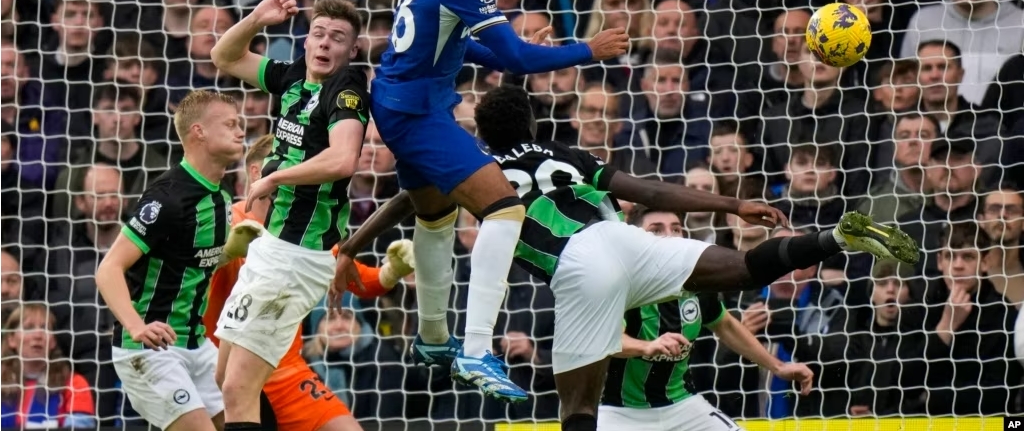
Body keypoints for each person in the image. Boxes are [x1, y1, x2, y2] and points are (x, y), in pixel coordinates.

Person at [335, 85, 919, 431]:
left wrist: (351, 247)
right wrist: (734, 202)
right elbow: (653, 194)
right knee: (740, 271)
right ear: (535, 124)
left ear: (482, 136)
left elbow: (407, 199)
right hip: (627, 240)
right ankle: (833, 241)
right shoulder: (565, 153)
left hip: (580, 270)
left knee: (577, 407)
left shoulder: (477, 170)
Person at [339, 0, 629, 403]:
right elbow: (516, 58)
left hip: (402, 97)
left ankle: (431, 338)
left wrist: (515, 45)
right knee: (503, 209)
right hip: (419, 112)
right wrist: (589, 50)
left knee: (434, 215)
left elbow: (456, 43)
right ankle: (476, 350)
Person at [209, 0, 370, 431]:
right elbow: (223, 56)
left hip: (297, 256)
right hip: (271, 249)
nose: (324, 44)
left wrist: (277, 177)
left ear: (351, 50)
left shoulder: (348, 92)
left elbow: (342, 160)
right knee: (224, 379)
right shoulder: (292, 78)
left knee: (237, 391)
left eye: (337, 38)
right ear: (305, 40)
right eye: (318, 34)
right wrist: (259, 19)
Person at [202, 134, 415, 431]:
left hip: (285, 369)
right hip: (219, 365)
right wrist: (224, 255)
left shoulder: (303, 231)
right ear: (255, 172)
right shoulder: (223, 222)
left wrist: (392, 271)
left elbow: (358, 278)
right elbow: (187, 281)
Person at [96, 90, 245, 431]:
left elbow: (187, 263)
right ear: (199, 132)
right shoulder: (167, 198)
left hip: (197, 344)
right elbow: (109, 269)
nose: (241, 132)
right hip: (149, 351)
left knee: (245, 421)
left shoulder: (220, 195)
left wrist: (230, 252)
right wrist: (136, 326)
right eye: (230, 124)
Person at [598, 205, 815, 431]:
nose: (670, 236)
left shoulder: (696, 285)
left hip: (682, 405)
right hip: (620, 411)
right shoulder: (617, 285)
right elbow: (606, 339)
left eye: (676, 229)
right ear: (633, 240)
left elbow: (726, 324)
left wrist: (778, 367)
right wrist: (647, 346)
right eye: (656, 230)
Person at [0, 304, 96, 429]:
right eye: (29, 328)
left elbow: (80, 426)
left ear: (53, 341)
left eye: (45, 328)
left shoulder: (74, 384)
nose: (38, 335)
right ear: (11, 339)